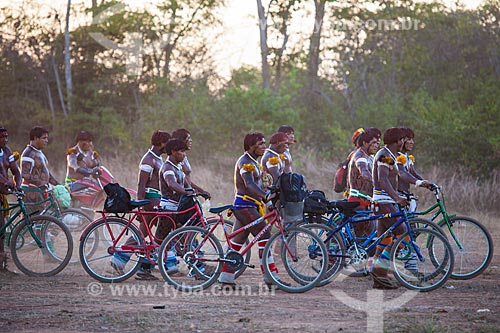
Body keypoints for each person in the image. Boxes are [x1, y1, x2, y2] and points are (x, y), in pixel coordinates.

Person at [218, 132, 283, 289]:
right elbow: (249, 184)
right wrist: (265, 196)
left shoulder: (254, 162)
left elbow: (258, 184)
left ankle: (226, 277)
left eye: (264, 143)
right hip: (244, 205)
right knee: (265, 234)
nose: (264, 146)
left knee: (237, 242)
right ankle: (271, 277)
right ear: (250, 146)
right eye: (260, 144)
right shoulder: (245, 162)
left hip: (251, 205)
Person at [369, 127, 409, 289]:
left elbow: (402, 175)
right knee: (404, 235)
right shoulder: (384, 156)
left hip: (383, 202)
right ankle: (379, 271)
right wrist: (397, 198)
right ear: (398, 141)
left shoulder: (389, 156)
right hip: (383, 202)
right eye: (402, 140)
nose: (404, 143)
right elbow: (383, 180)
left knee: (385, 239)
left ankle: (379, 278)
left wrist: (422, 183)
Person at [134, 130, 170, 280]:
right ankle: (165, 262)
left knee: (142, 234)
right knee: (163, 227)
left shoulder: (157, 159)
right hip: (150, 198)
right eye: (167, 143)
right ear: (161, 143)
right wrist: (140, 204)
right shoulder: (149, 159)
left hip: (156, 197)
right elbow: (141, 184)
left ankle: (122, 260)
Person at [346, 127, 381, 236]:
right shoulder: (359, 156)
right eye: (374, 143)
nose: (376, 146)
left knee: (370, 237)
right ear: (365, 143)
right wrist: (379, 182)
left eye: (378, 143)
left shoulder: (371, 156)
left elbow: (388, 163)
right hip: (358, 201)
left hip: (368, 201)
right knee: (363, 236)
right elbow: (364, 172)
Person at [20, 126, 60, 211]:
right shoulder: (28, 153)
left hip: (39, 191)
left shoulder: (39, 153)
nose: (46, 141)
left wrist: (58, 185)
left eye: (47, 138)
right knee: (35, 220)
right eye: (44, 138)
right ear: (35, 138)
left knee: (43, 219)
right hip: (31, 191)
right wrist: (40, 182)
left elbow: (46, 174)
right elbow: (24, 174)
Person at [0, 127, 22, 273]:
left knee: (2, 228)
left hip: (2, 194)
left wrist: (18, 185)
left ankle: (2, 264)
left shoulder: (7, 151)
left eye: (7, 137)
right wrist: (7, 183)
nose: (5, 140)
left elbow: (16, 172)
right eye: (2, 137)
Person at [397, 127, 432, 212]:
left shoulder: (408, 158)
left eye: (412, 139)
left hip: (406, 194)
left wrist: (427, 183)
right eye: (409, 139)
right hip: (398, 195)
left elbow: (413, 173)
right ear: (401, 140)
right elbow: (402, 173)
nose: (412, 142)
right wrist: (418, 182)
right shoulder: (396, 156)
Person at [171, 129, 210, 198]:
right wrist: (189, 191)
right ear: (182, 140)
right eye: (188, 138)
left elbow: (185, 180)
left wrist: (201, 191)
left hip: (188, 193)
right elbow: (177, 182)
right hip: (182, 196)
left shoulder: (183, 157)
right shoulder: (176, 159)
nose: (191, 140)